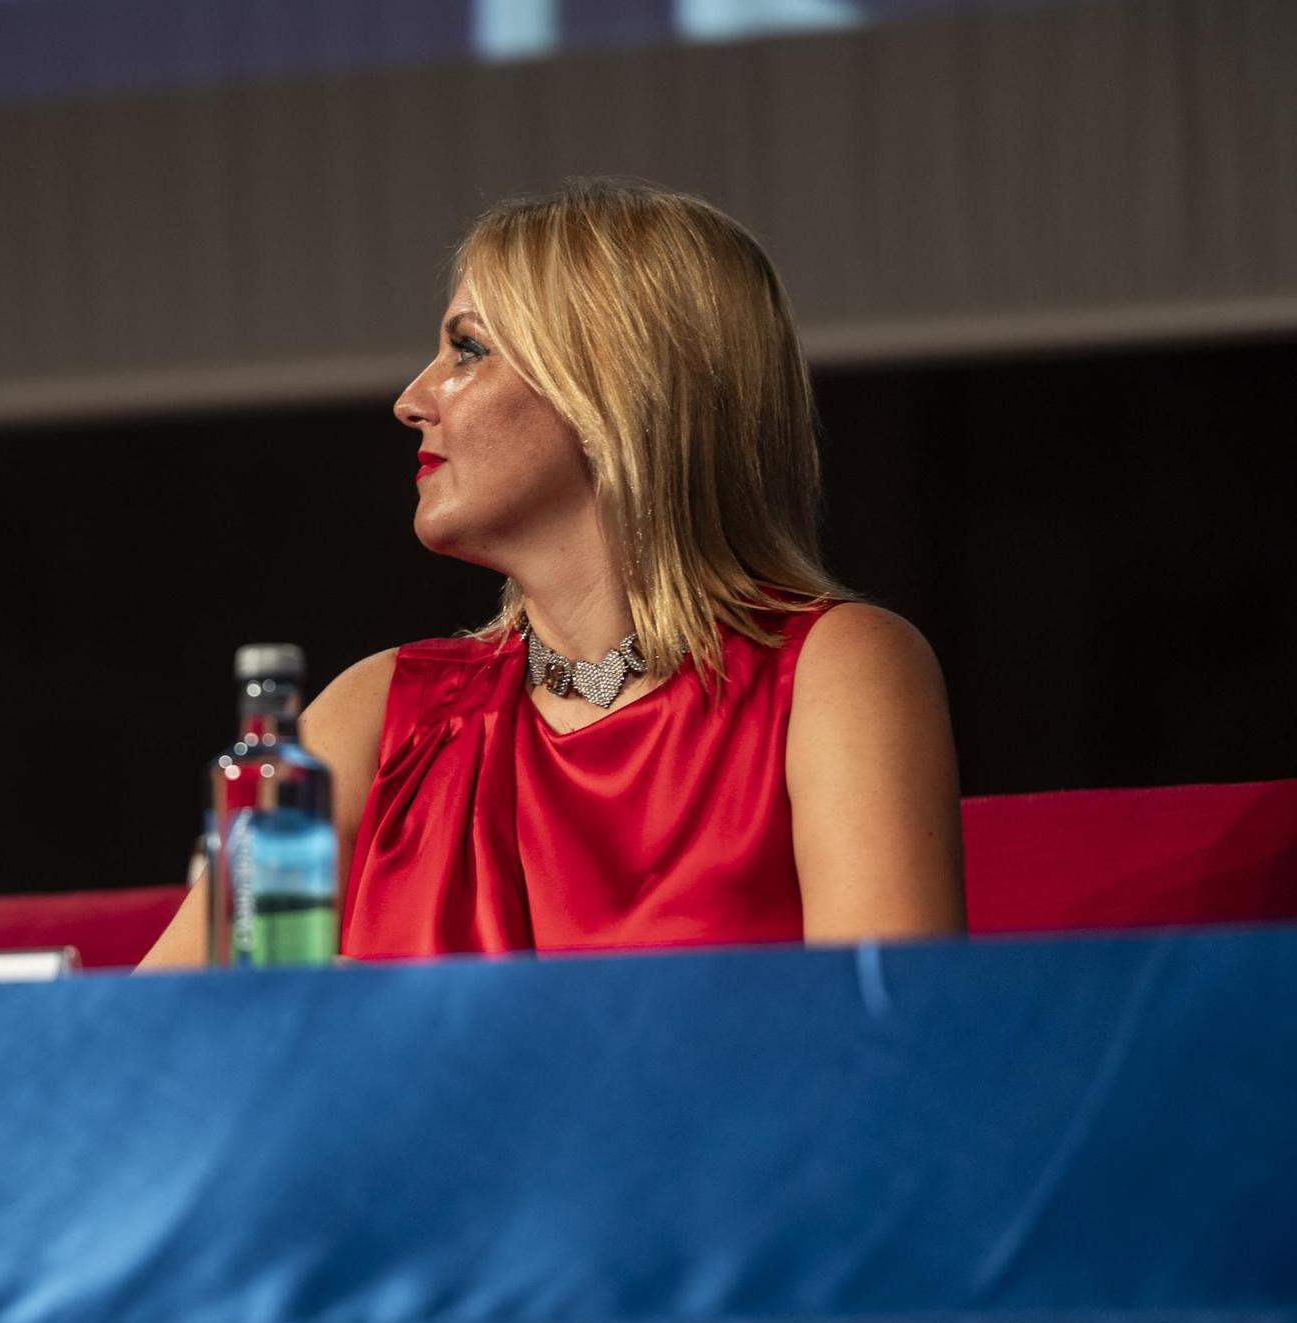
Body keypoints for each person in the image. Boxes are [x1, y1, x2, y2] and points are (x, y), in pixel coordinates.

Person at [139, 177, 963, 970]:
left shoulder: (839, 670)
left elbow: (887, 1055)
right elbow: (157, 1034)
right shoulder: (379, 711)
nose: (411, 399)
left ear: (612, 387)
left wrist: (381, 1016)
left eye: (467, 350)